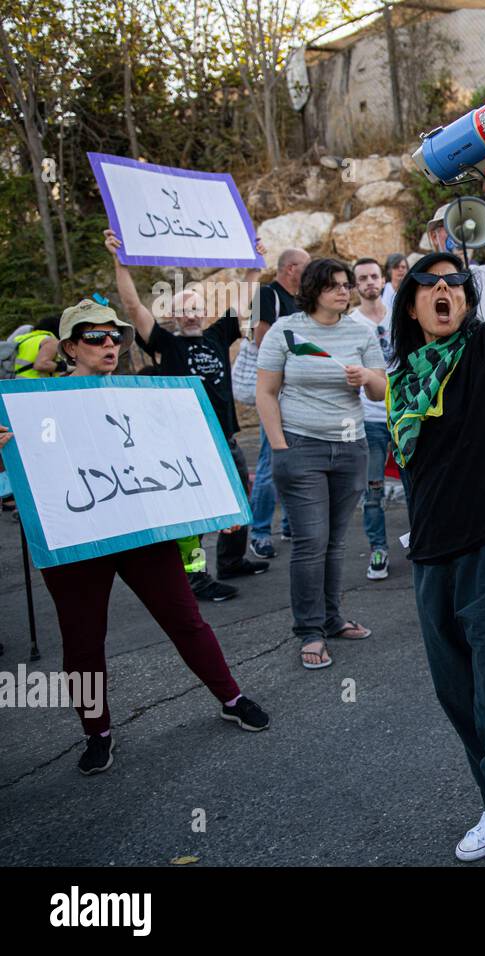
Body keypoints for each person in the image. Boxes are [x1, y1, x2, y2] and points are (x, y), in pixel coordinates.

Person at [0, 300, 269, 775]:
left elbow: (186, 452)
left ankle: (231, 696)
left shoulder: (146, 395)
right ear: (69, 348)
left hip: (142, 531)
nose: (109, 345)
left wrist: (218, 504)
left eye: (115, 337)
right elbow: (32, 471)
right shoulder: (32, 404)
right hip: (77, 541)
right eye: (95, 337)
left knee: (185, 620)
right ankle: (97, 732)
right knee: (83, 641)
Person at [386, 161, 485, 866]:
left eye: (456, 282)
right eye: (431, 285)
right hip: (431, 557)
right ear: (412, 307)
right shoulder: (399, 381)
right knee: (460, 697)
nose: (446, 290)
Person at [105, 228, 269, 602]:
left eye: (195, 308)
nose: (191, 315)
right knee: (195, 510)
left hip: (224, 435)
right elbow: (133, 307)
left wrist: (254, 267)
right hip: (186, 443)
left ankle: (231, 560)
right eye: (183, 309)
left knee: (238, 497)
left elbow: (243, 301)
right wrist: (120, 261)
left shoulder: (216, 336)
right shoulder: (165, 343)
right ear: (173, 315)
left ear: (203, 312)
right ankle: (195, 576)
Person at [256, 258, 386, 669]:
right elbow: (266, 392)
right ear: (313, 290)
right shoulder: (285, 330)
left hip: (351, 448)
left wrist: (366, 376)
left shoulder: (360, 332)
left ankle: (332, 618)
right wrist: (280, 447)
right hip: (301, 447)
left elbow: (382, 391)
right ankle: (309, 631)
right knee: (310, 542)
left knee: (336, 541)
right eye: (334, 285)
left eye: (346, 284)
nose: (344, 291)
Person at [248, 247, 310, 559]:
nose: (311, 272)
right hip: (274, 393)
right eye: (306, 266)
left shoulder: (300, 300)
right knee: (270, 462)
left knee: (294, 461)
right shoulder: (266, 294)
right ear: (290, 268)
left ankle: (287, 523)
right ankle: (259, 532)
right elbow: (263, 342)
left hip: (297, 391)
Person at [351, 257, 396, 580]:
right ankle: (378, 548)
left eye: (374, 276)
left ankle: (425, 542)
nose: (369, 282)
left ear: (383, 281)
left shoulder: (400, 317)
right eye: (363, 278)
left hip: (405, 413)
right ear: (356, 286)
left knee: (420, 483)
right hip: (370, 418)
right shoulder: (350, 324)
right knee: (373, 490)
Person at [427, 202, 485, 322]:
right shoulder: (425, 281)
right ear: (435, 237)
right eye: (451, 226)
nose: (460, 235)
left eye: (464, 224)